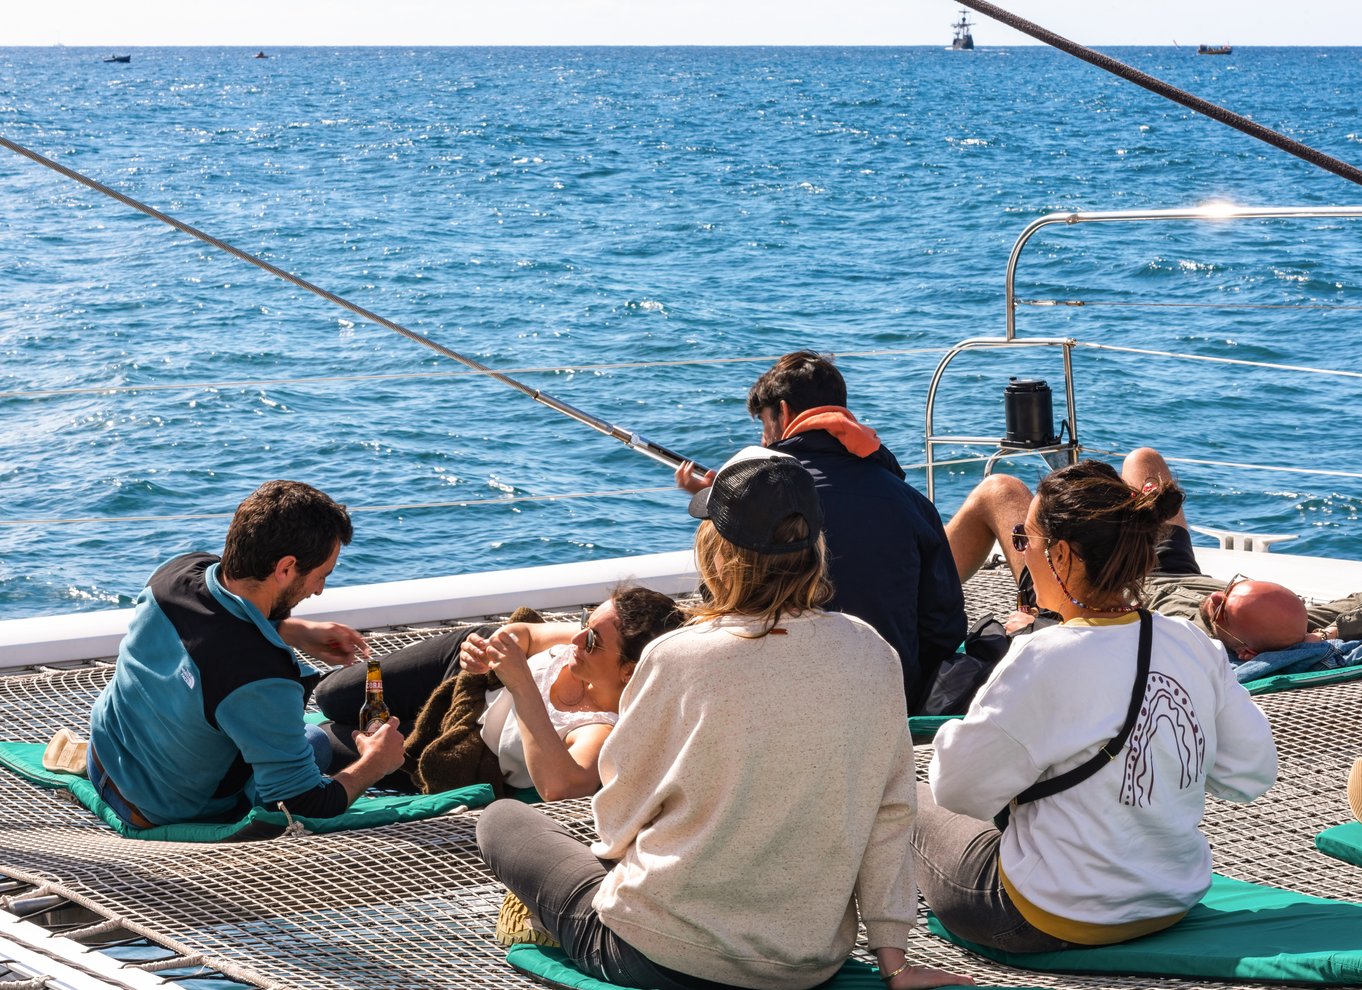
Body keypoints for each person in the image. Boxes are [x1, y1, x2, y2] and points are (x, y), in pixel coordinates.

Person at [478, 448, 973, 990]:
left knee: (504, 821)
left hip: (655, 954)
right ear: (814, 549)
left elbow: (616, 823)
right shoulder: (873, 654)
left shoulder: (677, 656)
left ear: (718, 552)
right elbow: (891, 812)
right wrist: (893, 961)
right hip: (804, 963)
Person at [916, 460, 1278, 952]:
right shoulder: (1190, 641)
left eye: (1024, 541)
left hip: (1042, 916)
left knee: (905, 795)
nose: (1020, 553)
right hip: (1170, 901)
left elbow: (955, 789)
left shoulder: (1041, 657)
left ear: (1061, 554)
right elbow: (1251, 774)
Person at [87, 480, 405, 828]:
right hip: (159, 810)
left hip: (103, 759)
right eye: (320, 576)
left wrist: (291, 629)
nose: (318, 591)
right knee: (315, 741)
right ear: (285, 568)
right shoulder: (260, 675)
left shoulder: (175, 575)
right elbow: (302, 804)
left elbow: (212, 626)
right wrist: (376, 763)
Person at [675, 350, 965, 713]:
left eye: (764, 424)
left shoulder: (758, 502)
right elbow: (945, 628)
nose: (764, 441)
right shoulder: (911, 501)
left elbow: (721, 603)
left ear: (782, 412)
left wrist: (725, 502)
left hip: (776, 704)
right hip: (891, 701)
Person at [947, 445, 1362, 660]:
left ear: (1246, 651)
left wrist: (1033, 627)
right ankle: (1116, 517)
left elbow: (1098, 635)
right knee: (1144, 461)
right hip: (1163, 565)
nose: (1217, 596)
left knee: (999, 491)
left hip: (1100, 579)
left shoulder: (1188, 641)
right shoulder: (1294, 619)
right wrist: (1324, 633)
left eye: (1220, 611)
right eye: (1237, 585)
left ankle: (909, 592)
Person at [313, 587, 683, 800]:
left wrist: (521, 683)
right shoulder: (582, 649)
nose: (573, 637)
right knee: (331, 694)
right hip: (463, 673)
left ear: (629, 670)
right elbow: (527, 633)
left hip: (453, 744)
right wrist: (490, 649)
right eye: (586, 621)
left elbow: (564, 788)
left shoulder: (598, 728)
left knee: (323, 741)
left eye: (591, 639)